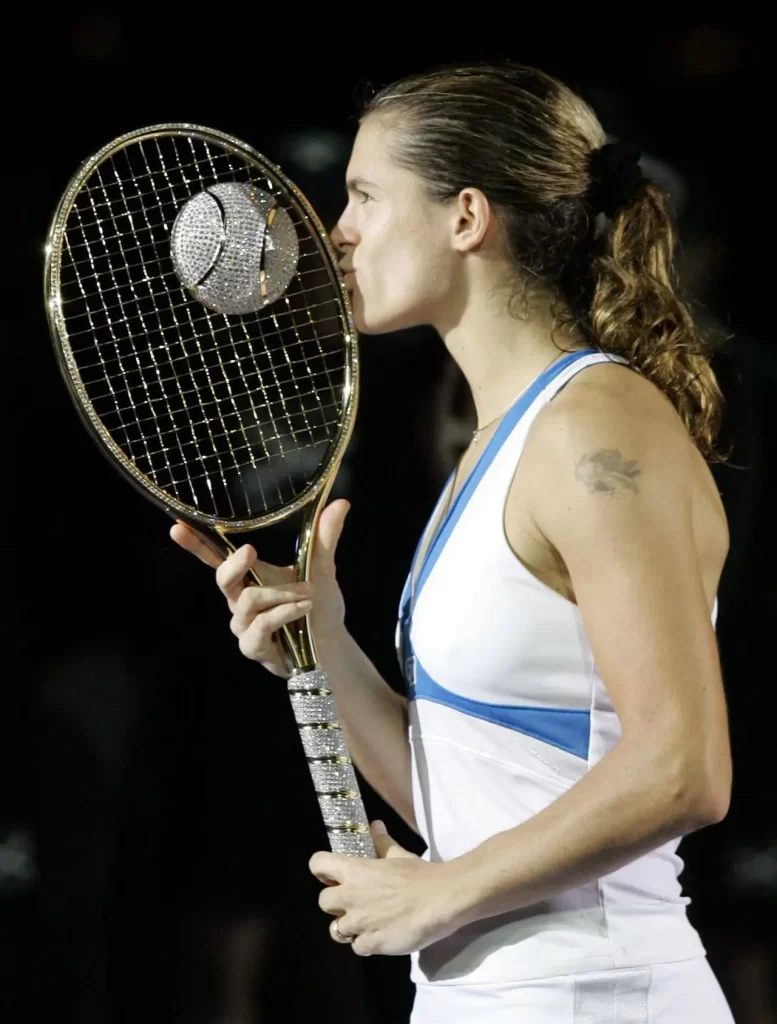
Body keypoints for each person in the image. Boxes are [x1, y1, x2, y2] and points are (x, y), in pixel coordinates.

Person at [171, 62, 735, 1023]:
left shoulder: (595, 426)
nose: (333, 231)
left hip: (598, 994)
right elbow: (473, 802)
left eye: (363, 195)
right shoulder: (496, 443)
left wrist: (439, 890)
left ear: (466, 217)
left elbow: (684, 766)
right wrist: (324, 648)